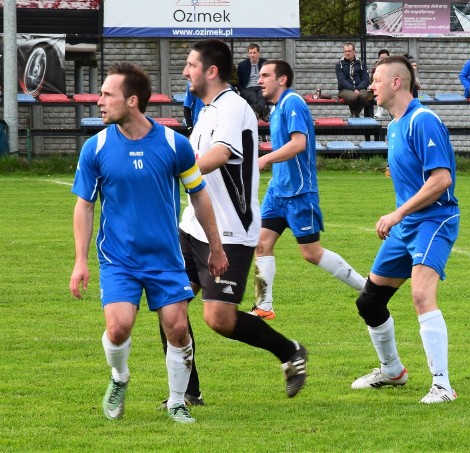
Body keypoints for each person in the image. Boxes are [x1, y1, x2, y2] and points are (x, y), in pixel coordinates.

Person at [69, 62, 229, 424]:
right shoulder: (96, 147)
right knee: (118, 326)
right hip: (118, 258)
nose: (100, 101)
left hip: (165, 259)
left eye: (108, 94)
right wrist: (80, 260)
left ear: (133, 101)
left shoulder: (175, 144)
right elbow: (84, 206)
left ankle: (177, 401)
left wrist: (215, 246)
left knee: (177, 327)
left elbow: (199, 196)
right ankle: (119, 378)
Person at [166, 39, 309, 401]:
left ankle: (288, 351)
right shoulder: (206, 110)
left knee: (219, 319)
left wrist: (168, 169)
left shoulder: (234, 108)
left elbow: (217, 155)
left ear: (211, 71)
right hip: (192, 225)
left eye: (190, 65)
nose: (185, 72)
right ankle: (186, 392)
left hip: (230, 230)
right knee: (171, 306)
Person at [351, 56, 460, 405]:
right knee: (369, 301)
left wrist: (397, 213)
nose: (372, 85)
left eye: (377, 79)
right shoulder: (394, 126)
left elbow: (441, 180)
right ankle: (393, 371)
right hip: (408, 226)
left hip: (434, 220)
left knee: (421, 295)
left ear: (397, 83)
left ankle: (443, 386)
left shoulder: (423, 120)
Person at [252, 59, 366, 319]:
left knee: (311, 253)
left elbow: (298, 144)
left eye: (265, 75)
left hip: (299, 192)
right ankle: (263, 305)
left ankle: (366, 287)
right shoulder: (278, 107)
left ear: (282, 79)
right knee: (261, 244)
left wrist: (265, 159)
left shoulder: (292, 103)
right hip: (277, 191)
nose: (260, 81)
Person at [336, 42, 371, 118]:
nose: (347, 53)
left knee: (364, 95)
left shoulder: (361, 64)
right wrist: (353, 89)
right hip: (344, 90)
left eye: (349, 51)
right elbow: (341, 81)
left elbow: (366, 80)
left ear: (354, 52)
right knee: (353, 97)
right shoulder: (339, 65)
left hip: (360, 88)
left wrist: (357, 88)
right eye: (345, 51)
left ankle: (354, 114)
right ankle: (355, 114)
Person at [237, 43, 269, 120]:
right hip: (248, 88)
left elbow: (269, 77)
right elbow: (238, 80)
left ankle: (256, 114)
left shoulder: (265, 63)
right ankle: (264, 113)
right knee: (254, 98)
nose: (252, 55)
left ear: (259, 53)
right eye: (250, 53)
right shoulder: (242, 65)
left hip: (261, 86)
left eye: (254, 53)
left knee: (262, 96)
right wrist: (242, 90)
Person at [372, 49, 389, 119]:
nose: (384, 60)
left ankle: (381, 108)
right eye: (381, 58)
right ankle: (380, 108)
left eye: (386, 58)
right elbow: (373, 79)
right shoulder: (375, 68)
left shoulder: (392, 67)